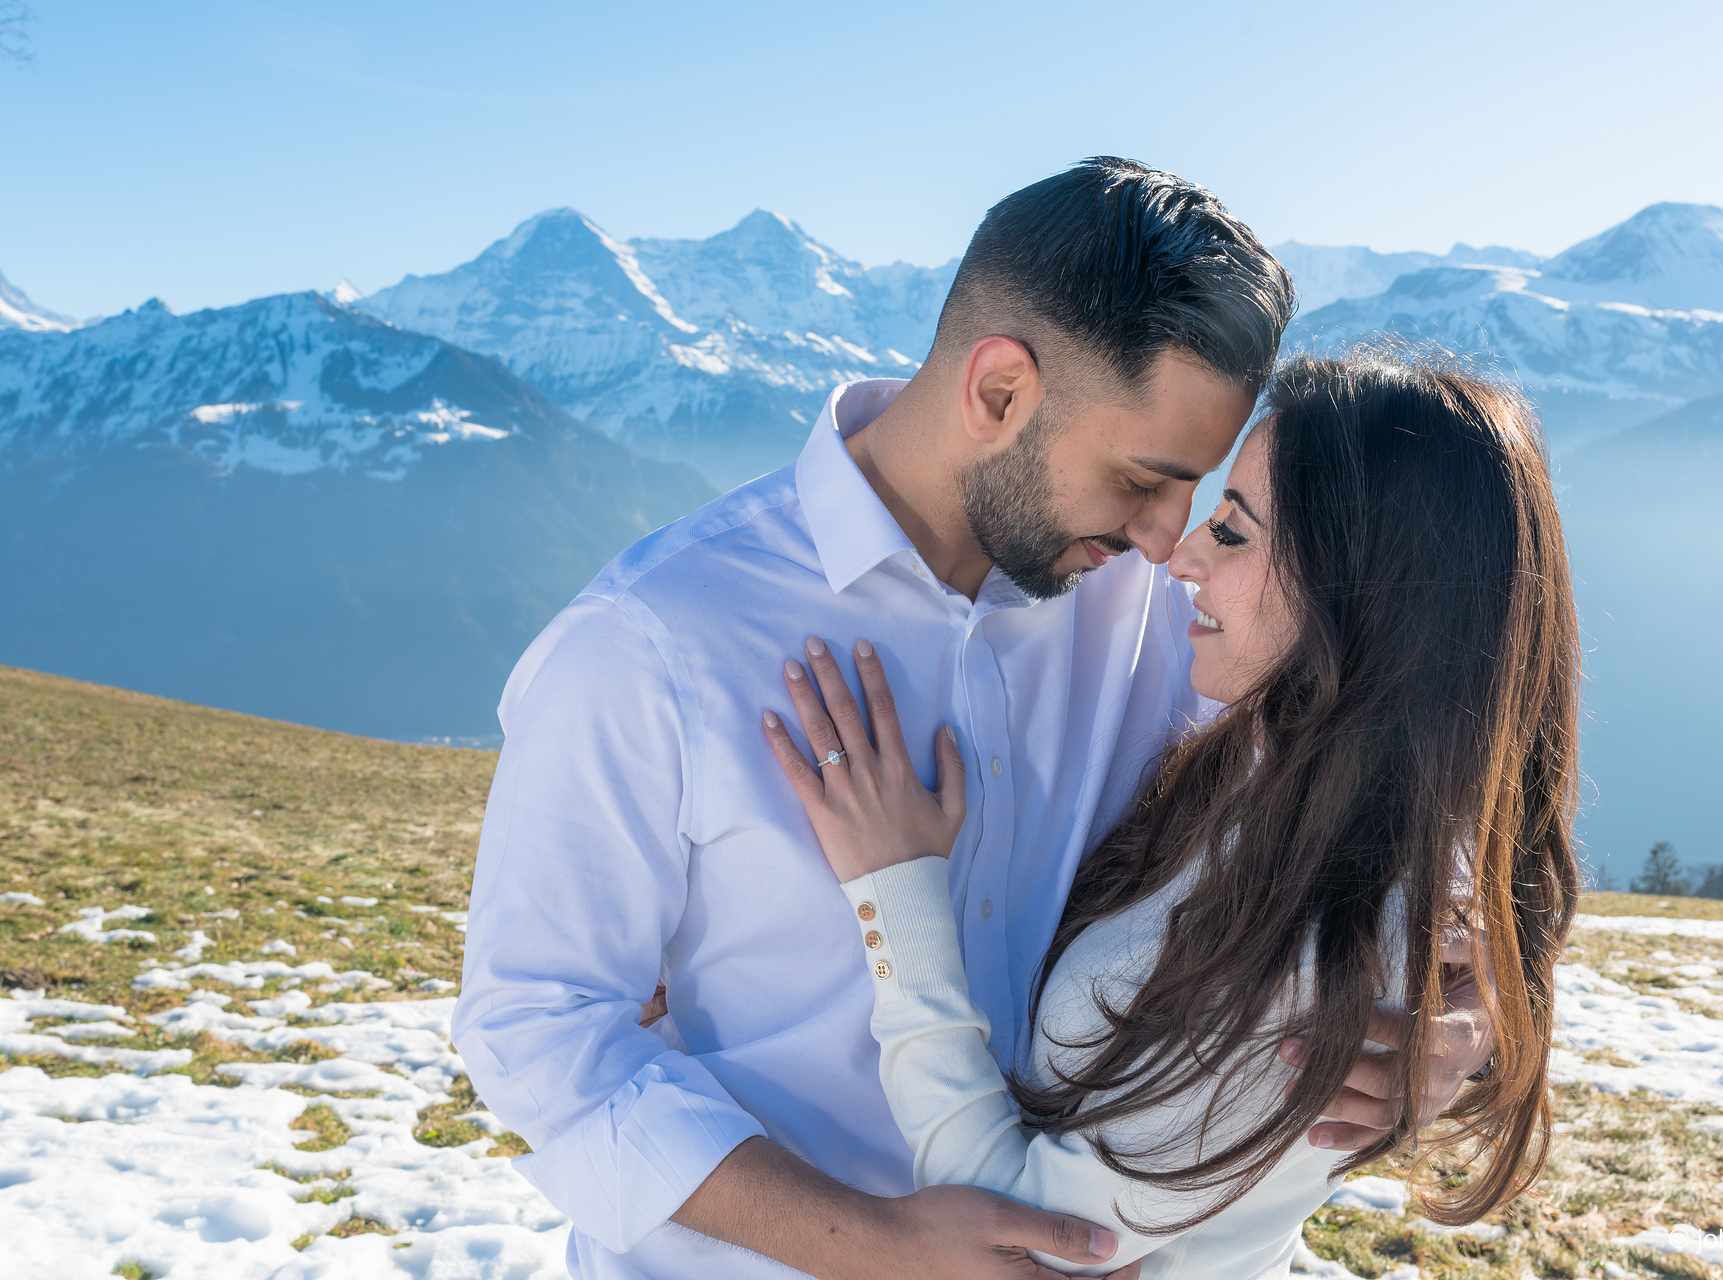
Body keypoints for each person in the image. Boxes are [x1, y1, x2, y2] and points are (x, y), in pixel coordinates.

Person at [452, 159, 1494, 1280]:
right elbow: (541, 1027)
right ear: (999, 392)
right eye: (1145, 477)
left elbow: (1392, 766)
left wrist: (1465, 1028)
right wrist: (878, 1245)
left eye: (1194, 493)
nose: (1163, 537)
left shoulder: (1172, 614)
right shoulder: (654, 640)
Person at [761, 351, 1581, 1276]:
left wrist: (893, 890)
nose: (1177, 557)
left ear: (1359, 590)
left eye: (1231, 533)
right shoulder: (1277, 764)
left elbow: (1023, 1237)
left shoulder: (1313, 958)